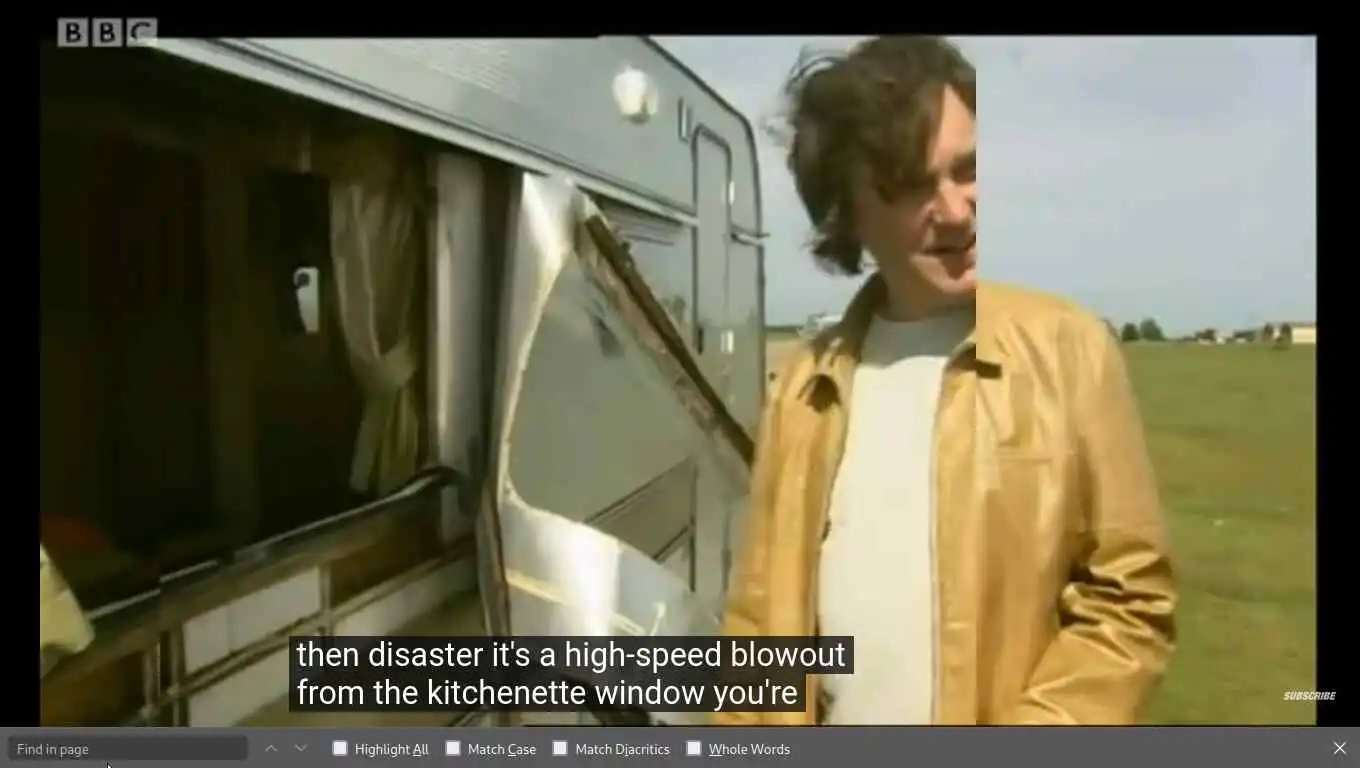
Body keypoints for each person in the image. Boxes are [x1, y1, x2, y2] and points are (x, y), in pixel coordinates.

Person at [717, 36, 1175, 726]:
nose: (957, 211)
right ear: (846, 212)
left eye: (966, 171)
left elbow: (1130, 604)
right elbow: (757, 625)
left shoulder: (1070, 350)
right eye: (910, 186)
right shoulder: (803, 387)